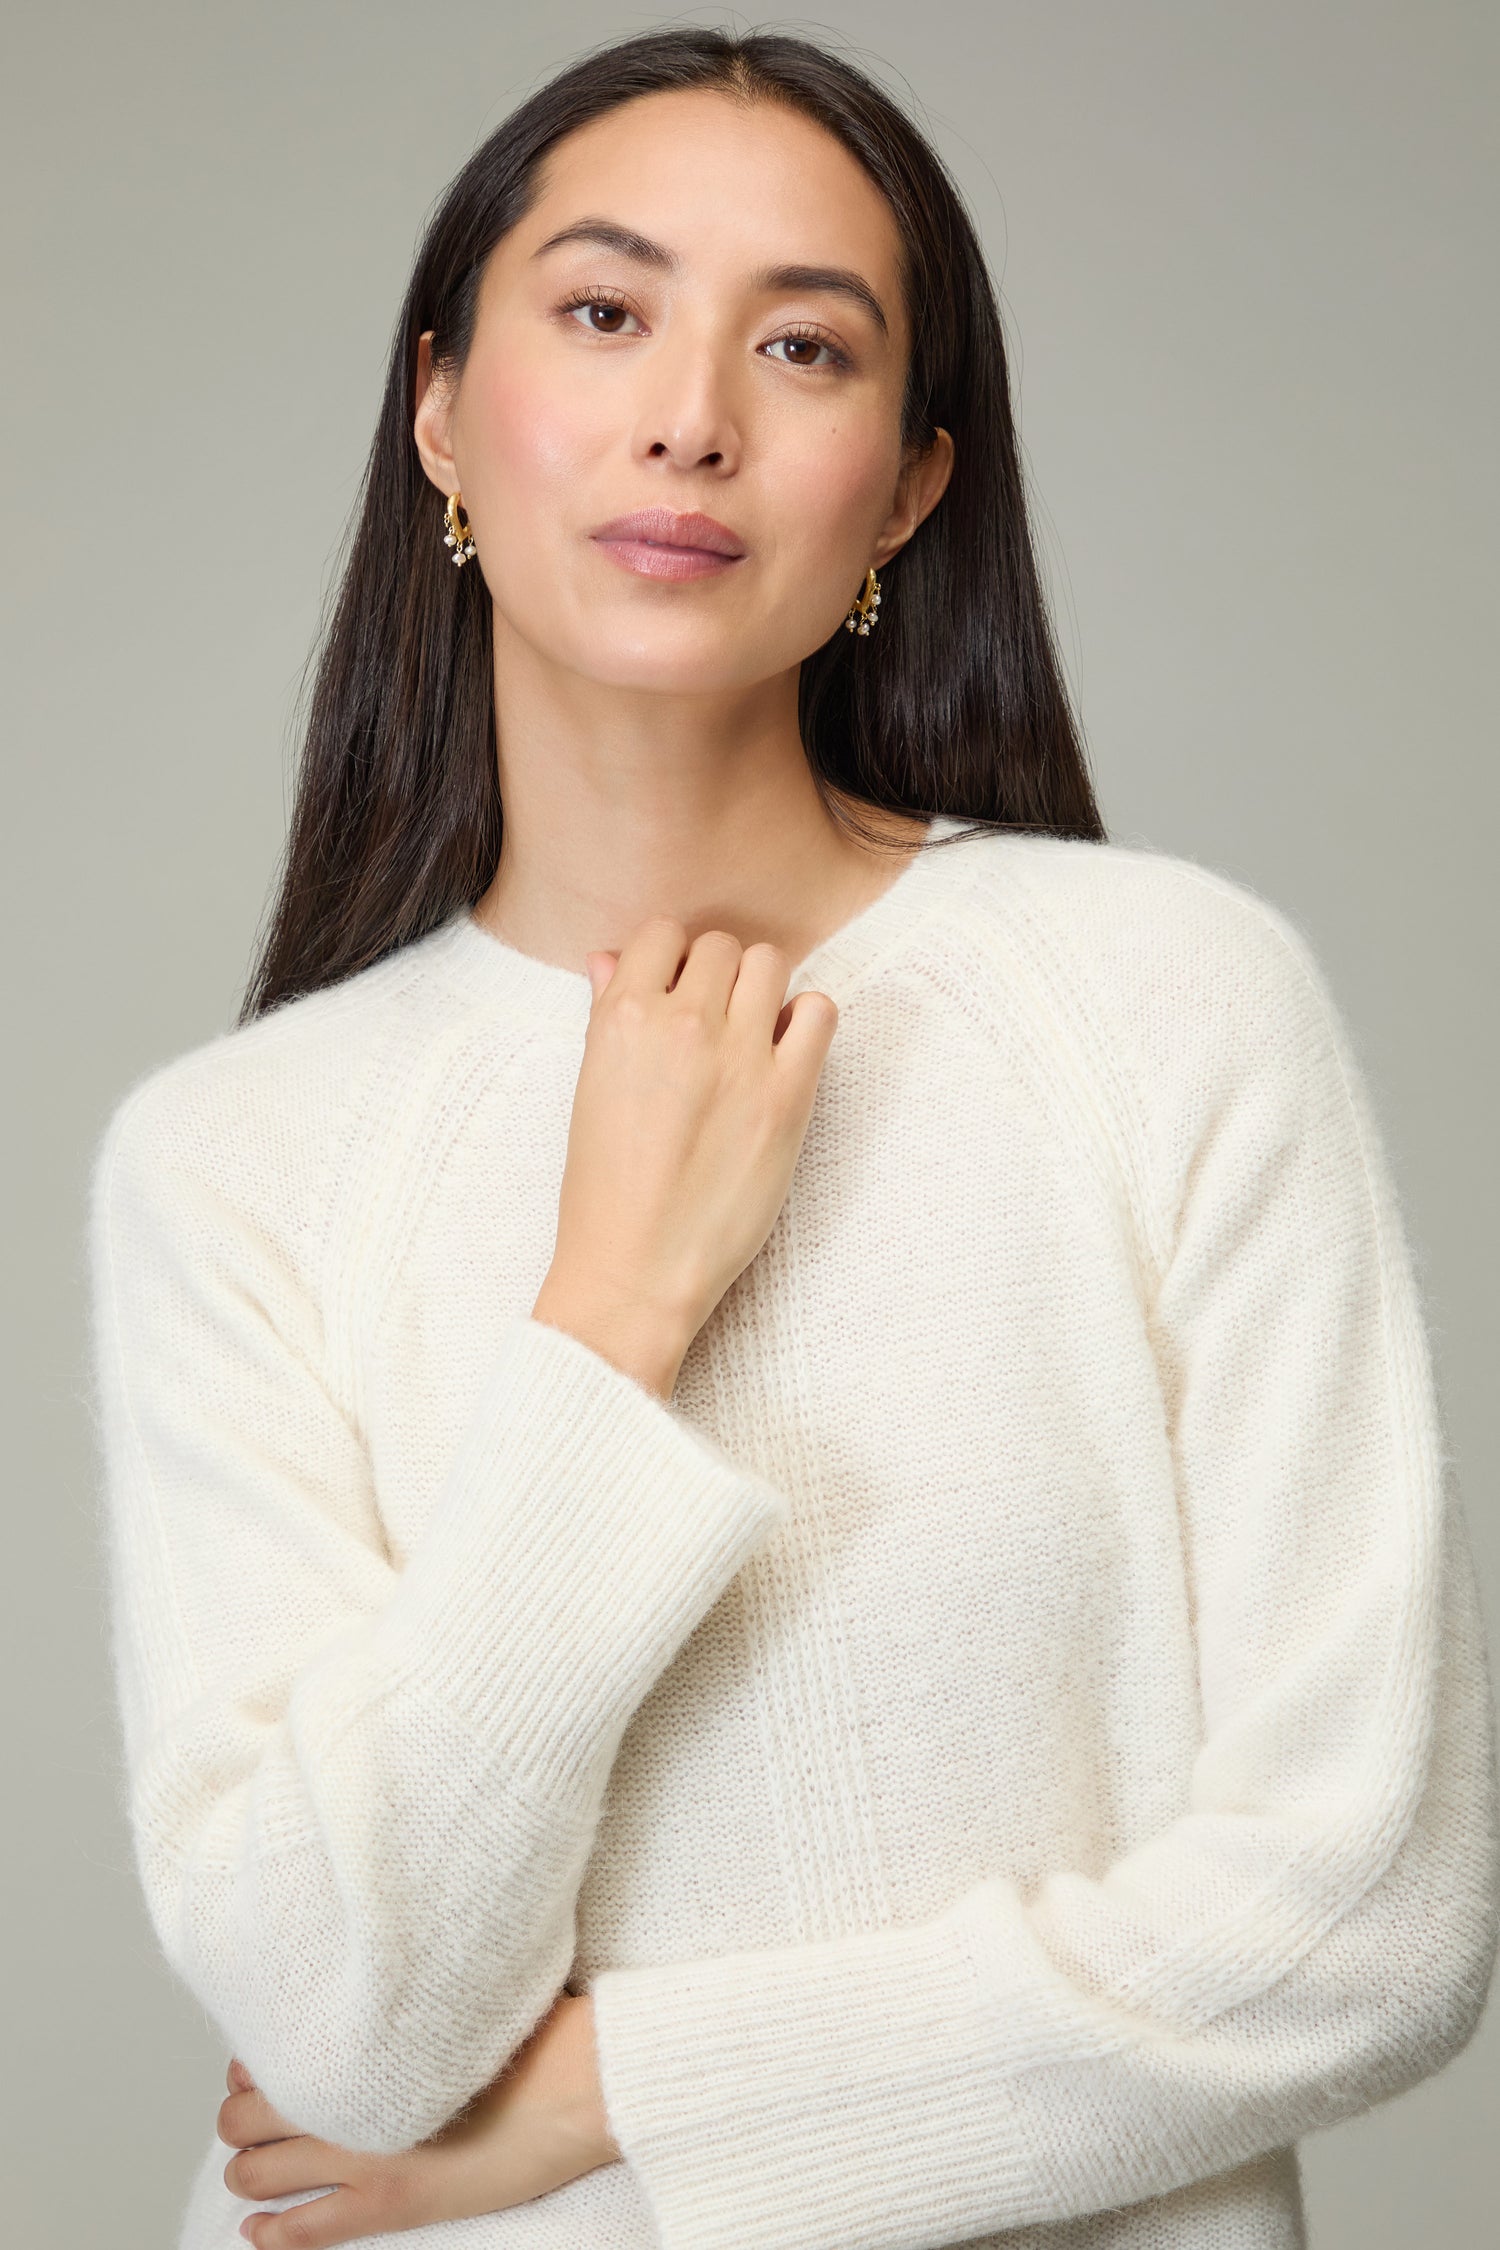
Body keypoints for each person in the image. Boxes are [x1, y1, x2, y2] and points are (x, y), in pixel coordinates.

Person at [86, 25, 1498, 2250]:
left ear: (912, 486)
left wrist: (628, 2093)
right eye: (606, 310)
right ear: (441, 410)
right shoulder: (234, 1157)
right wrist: (607, 1320)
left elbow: (1366, 1918)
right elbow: (342, 2030)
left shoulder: (1166, 1005)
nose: (691, 416)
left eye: (808, 346)